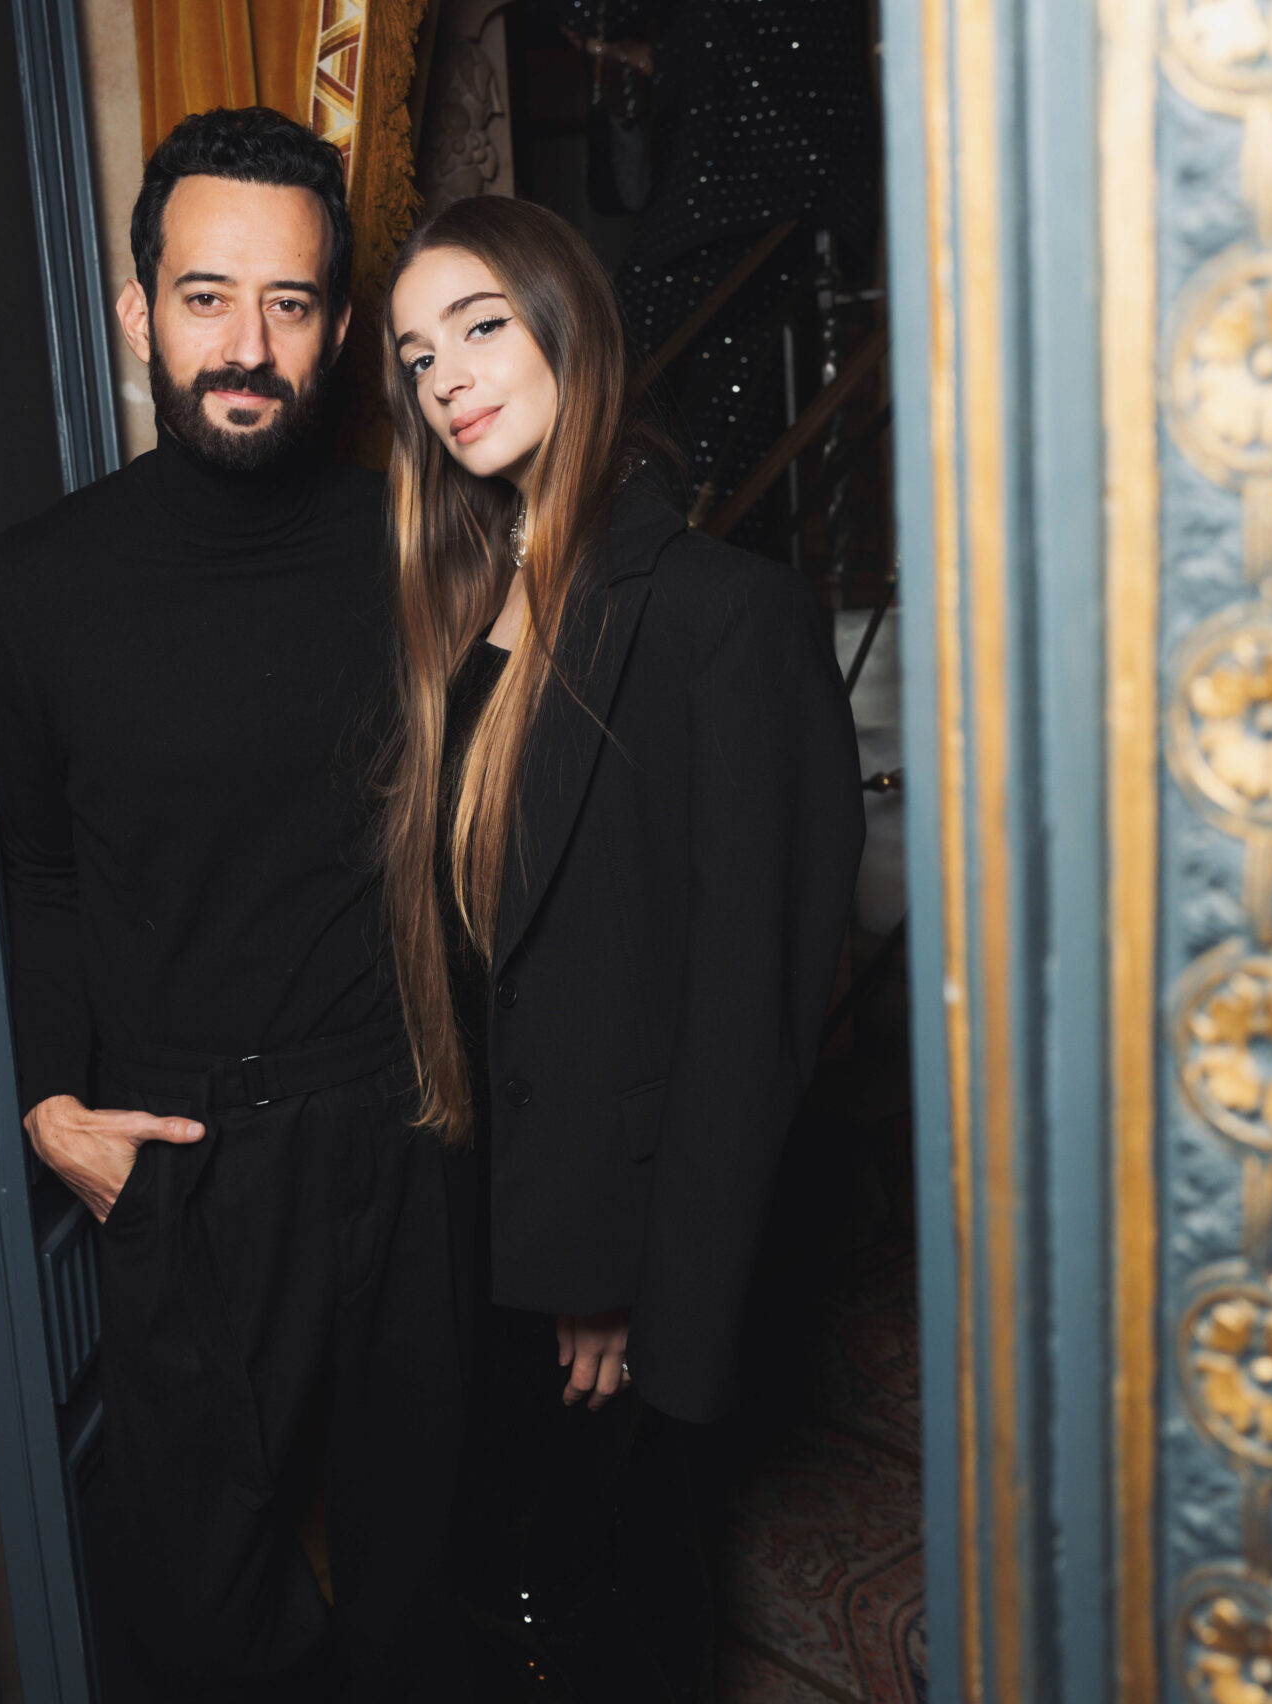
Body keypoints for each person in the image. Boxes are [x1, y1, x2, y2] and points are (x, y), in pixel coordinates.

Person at [0, 108, 470, 1703]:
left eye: (289, 303)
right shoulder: (36, 583)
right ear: (139, 313)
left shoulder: (418, 545)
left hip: (404, 1133)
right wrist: (47, 1098)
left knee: (427, 1586)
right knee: (201, 1616)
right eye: (205, 297)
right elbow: (35, 868)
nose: (246, 346)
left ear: (337, 329)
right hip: (180, 1157)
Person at [379, 195, 864, 1700]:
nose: (446, 377)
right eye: (416, 356)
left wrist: (632, 1277)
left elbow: (748, 1008)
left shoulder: (724, 615)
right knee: (488, 1598)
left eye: (480, 326)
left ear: (568, 330)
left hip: (605, 1262)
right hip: (473, 1222)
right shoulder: (459, 615)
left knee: (612, 1622)